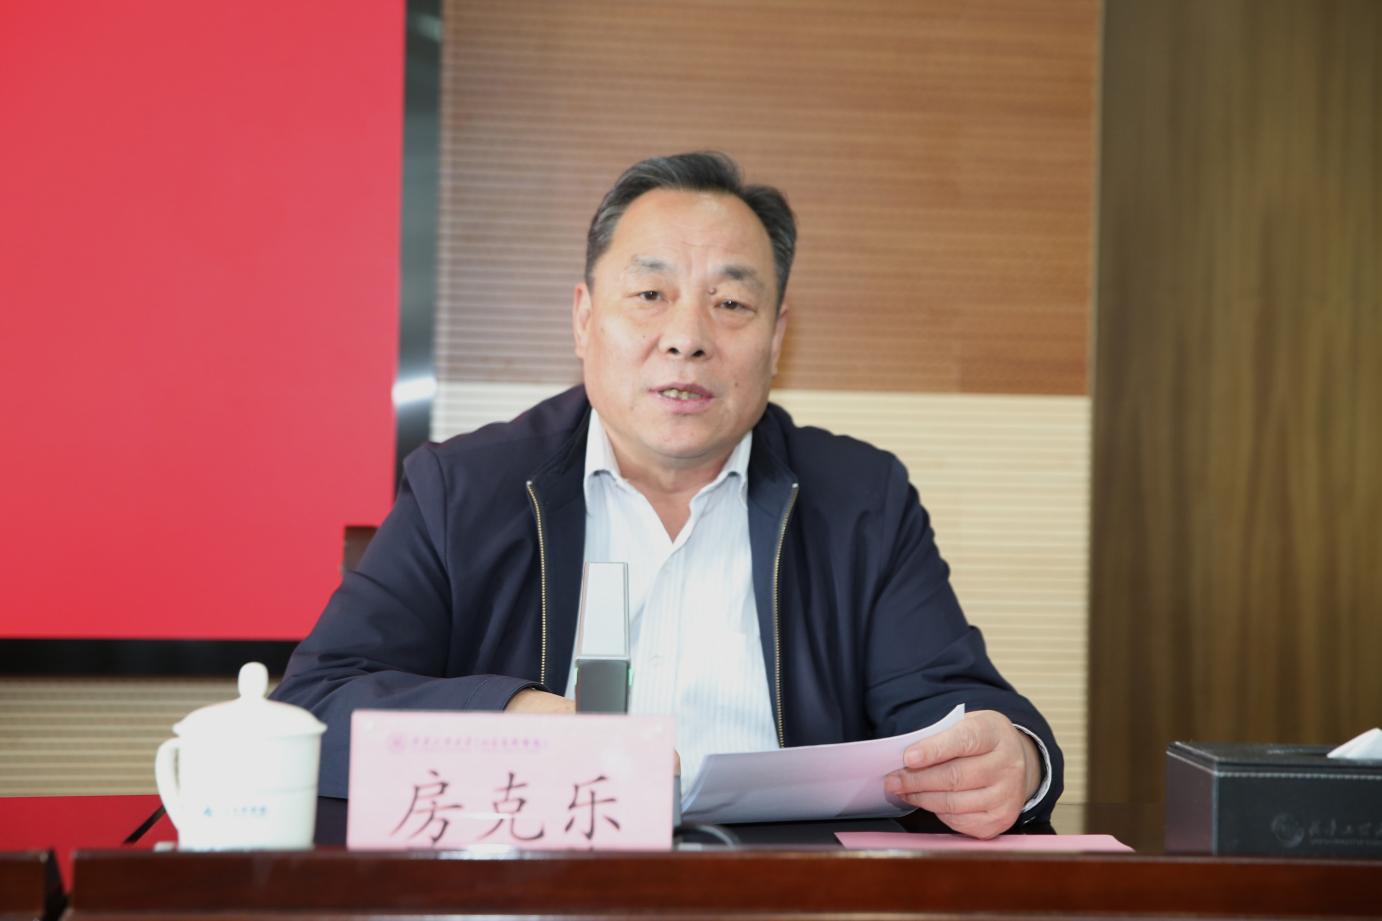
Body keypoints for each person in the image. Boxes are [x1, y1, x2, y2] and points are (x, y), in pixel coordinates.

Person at [273, 151, 1062, 839]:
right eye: (650, 295)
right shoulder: (463, 489)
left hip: (788, 896)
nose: (688, 337)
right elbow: (315, 707)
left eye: (731, 303)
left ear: (777, 338)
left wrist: (1016, 760)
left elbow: (953, 706)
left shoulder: (862, 500)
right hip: (536, 890)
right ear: (585, 319)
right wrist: (519, 721)